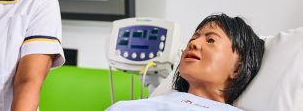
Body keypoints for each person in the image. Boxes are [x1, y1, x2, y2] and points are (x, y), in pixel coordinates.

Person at [107, 13, 265, 111]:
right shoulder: (125, 107)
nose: (193, 43)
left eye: (210, 40)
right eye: (194, 37)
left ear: (237, 67)